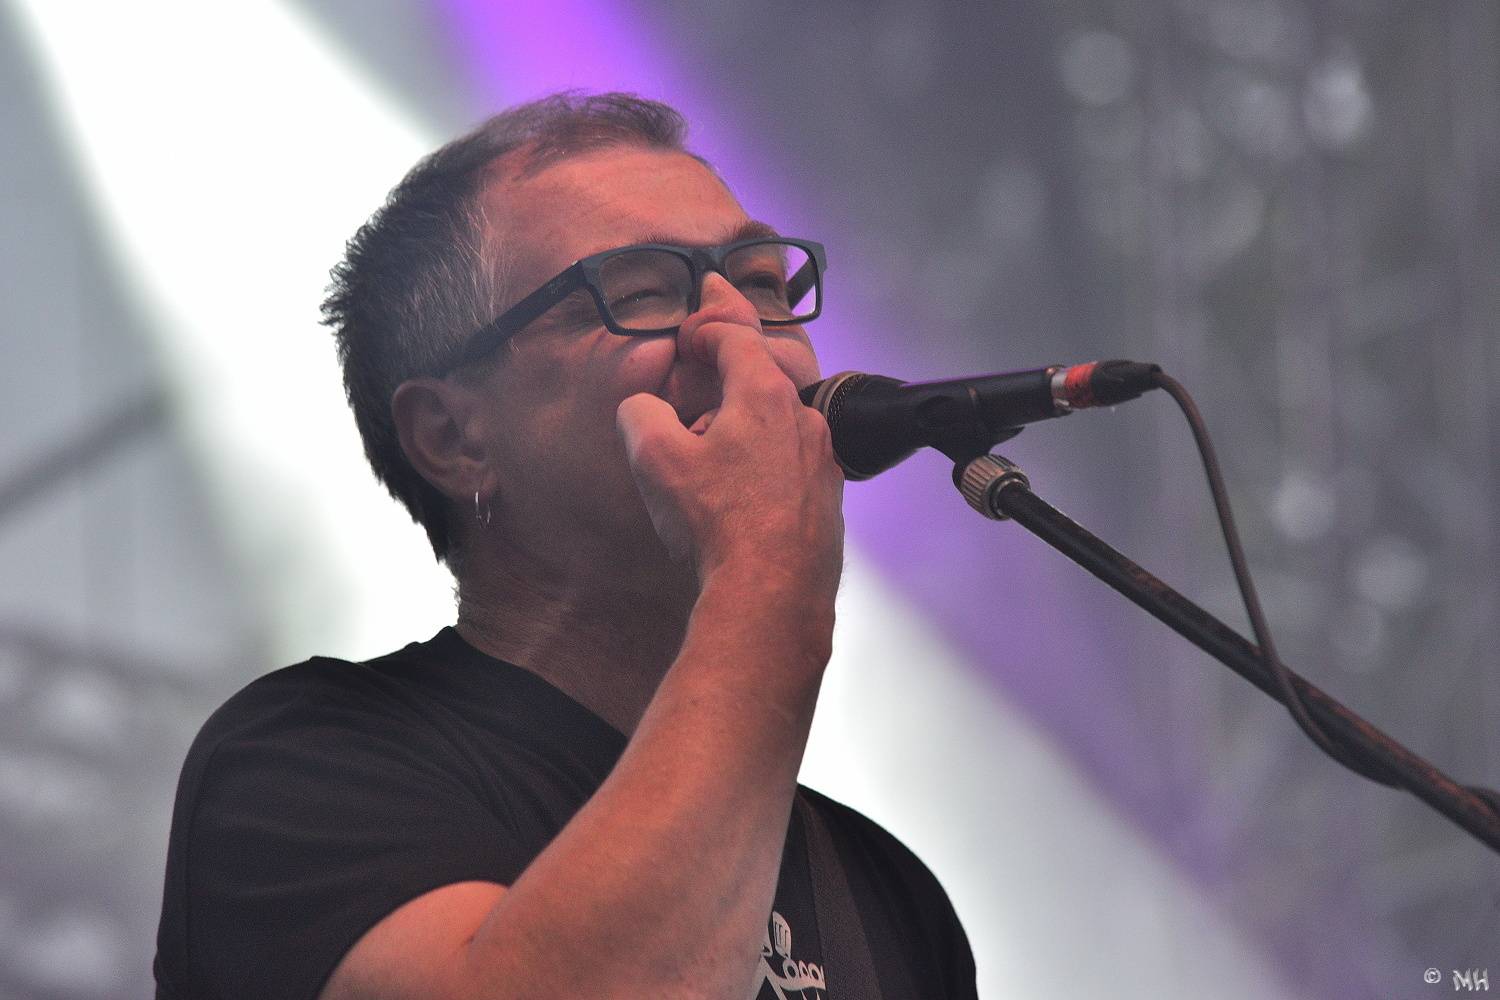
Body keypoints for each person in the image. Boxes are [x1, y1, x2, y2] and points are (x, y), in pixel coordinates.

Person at [154, 92, 977, 1000]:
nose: (736, 330)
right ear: (453, 437)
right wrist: (767, 575)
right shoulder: (307, 766)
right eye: (639, 292)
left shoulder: (889, 897)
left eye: (761, 282)